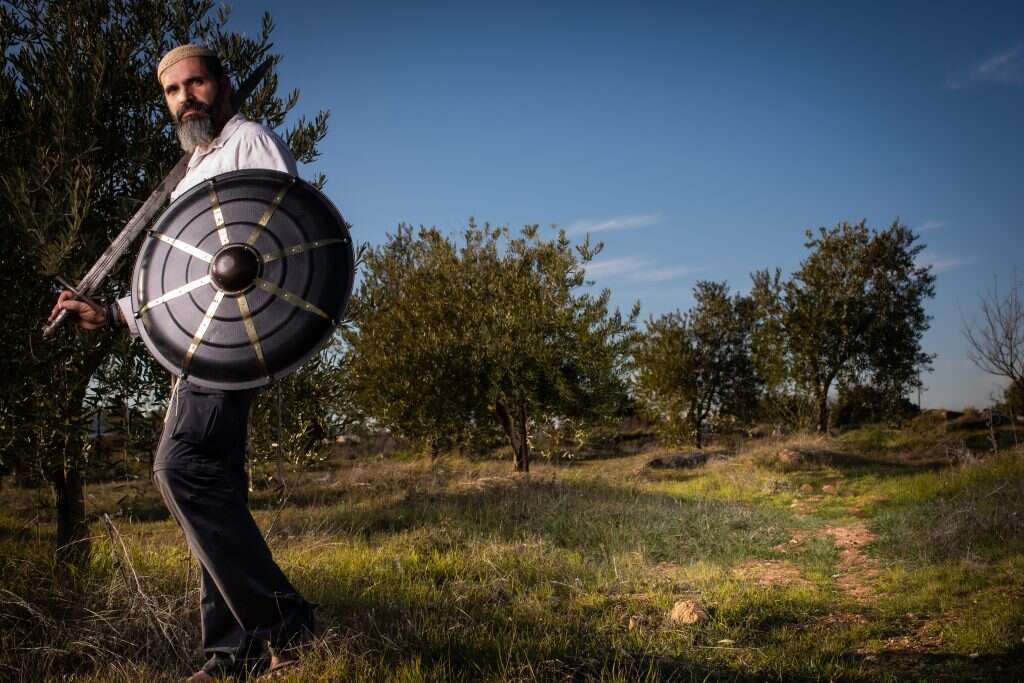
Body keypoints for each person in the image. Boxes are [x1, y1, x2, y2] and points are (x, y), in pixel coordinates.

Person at [49, 45, 314, 682]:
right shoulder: (197, 165)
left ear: (222, 85)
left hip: (231, 342)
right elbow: (186, 276)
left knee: (181, 466)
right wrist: (114, 314)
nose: (186, 98)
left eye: (196, 83)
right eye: (173, 91)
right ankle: (231, 653)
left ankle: (286, 624)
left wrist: (244, 337)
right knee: (214, 484)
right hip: (195, 342)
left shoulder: (249, 143)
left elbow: (271, 243)